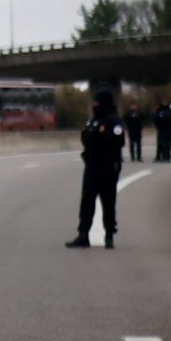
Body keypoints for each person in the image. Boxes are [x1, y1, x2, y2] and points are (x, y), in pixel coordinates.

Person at [68, 92, 124, 248]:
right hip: (92, 166)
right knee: (87, 201)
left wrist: (102, 135)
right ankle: (83, 234)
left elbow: (119, 141)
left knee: (108, 202)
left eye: (97, 103)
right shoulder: (92, 121)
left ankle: (109, 236)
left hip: (107, 167)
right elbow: (85, 138)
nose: (94, 105)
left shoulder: (114, 121)